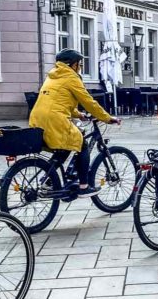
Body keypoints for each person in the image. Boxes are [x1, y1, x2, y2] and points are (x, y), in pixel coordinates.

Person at [30, 49, 120, 196]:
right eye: (79, 64)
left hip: (38, 119)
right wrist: (107, 118)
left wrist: (79, 115)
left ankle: (48, 180)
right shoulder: (71, 77)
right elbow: (88, 101)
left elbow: (59, 102)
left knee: (65, 145)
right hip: (55, 120)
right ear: (72, 64)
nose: (80, 67)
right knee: (81, 144)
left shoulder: (53, 76)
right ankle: (84, 187)